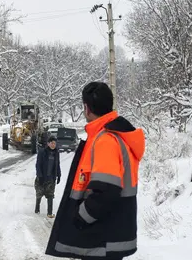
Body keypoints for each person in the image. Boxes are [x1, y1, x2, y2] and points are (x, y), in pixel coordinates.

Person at [45, 82, 145, 260]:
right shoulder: (115, 135)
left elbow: (106, 192)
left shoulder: (105, 140)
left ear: (86, 107)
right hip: (109, 235)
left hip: (101, 238)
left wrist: (81, 217)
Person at [34, 136, 61, 218]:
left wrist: (59, 175)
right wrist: (40, 176)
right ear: (48, 143)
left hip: (51, 178)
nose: (53, 145)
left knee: (50, 195)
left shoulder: (56, 153)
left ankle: (49, 213)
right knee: (39, 194)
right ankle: (37, 208)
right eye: (52, 143)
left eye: (55, 143)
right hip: (42, 177)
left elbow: (57, 165)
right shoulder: (42, 152)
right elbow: (38, 165)